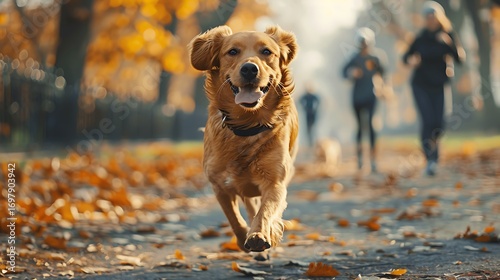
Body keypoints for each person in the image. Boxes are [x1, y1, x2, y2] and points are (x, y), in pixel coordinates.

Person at [403, 1, 464, 176]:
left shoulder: (447, 34)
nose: (430, 20)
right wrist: (411, 61)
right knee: (428, 121)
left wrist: (449, 43)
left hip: (439, 85)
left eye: (433, 17)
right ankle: (431, 159)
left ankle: (433, 155)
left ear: (439, 18)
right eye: (427, 17)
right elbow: (405, 57)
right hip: (420, 84)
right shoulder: (420, 38)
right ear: (424, 19)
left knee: (440, 124)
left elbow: (460, 59)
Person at [342, 27, 384, 173]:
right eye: (361, 42)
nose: (364, 45)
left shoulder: (376, 58)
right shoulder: (354, 58)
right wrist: (351, 73)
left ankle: (373, 160)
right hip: (357, 97)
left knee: (371, 126)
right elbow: (343, 72)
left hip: (371, 96)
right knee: (360, 127)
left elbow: (383, 73)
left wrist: (383, 87)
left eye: (366, 42)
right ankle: (360, 159)